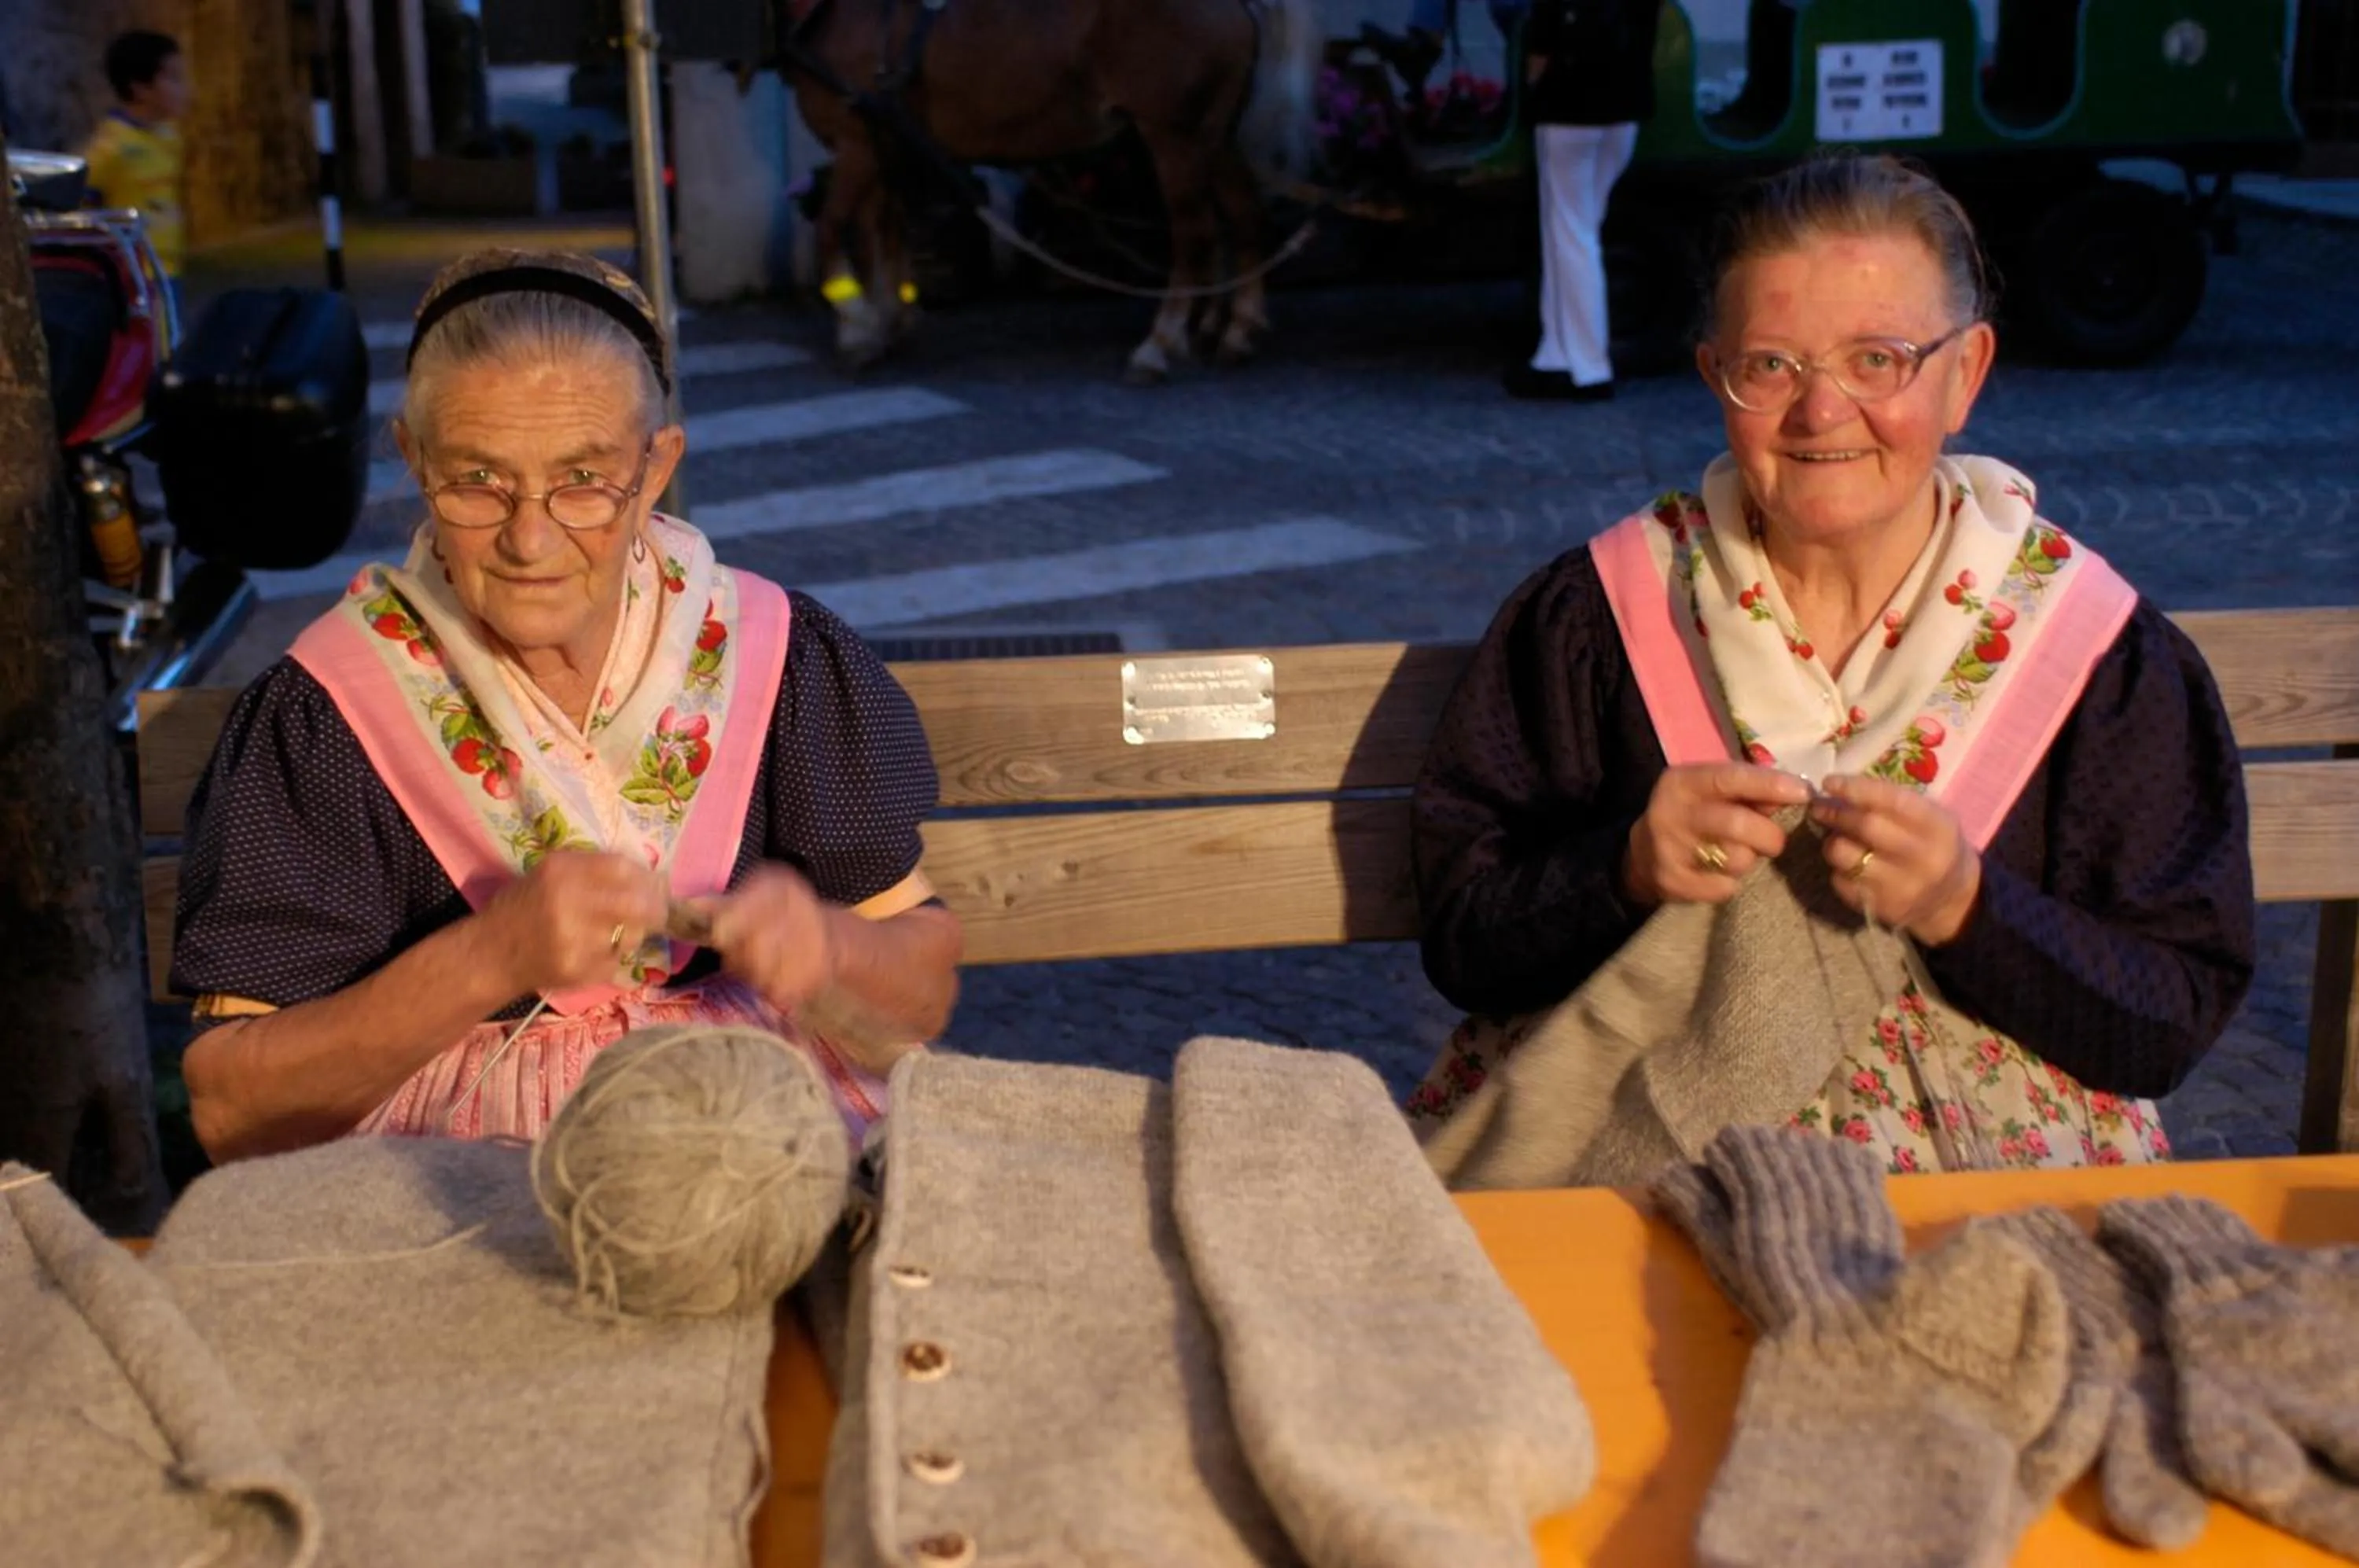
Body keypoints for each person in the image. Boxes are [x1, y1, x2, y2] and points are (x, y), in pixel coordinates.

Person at [1409, 155, 2254, 1176]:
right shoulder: (1599, 617)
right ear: (1713, 372)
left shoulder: (2098, 658)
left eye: (1879, 359)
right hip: (1645, 1160)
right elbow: (1466, 939)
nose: (1820, 412)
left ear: (1966, 373)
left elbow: (2167, 1021)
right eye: (1772, 365)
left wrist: (1968, 907)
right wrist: (1622, 869)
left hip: (1984, 1195)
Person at [172, 250, 962, 1161]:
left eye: (584, 481)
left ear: (656, 465)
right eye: (478, 481)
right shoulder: (329, 714)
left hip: (766, 1135)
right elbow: (232, 1110)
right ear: (415, 460)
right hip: (467, 1189)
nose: (530, 537)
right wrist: (490, 957)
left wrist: (831, 952)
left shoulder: (775, 655)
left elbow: (923, 992)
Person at [1505, 0, 1661, 401]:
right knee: (1575, 233)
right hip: (1625, 108)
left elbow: (1546, 26)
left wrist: (1534, 79)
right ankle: (1554, 354)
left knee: (1571, 235)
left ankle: (1587, 366)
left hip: (1570, 104)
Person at [80, 31, 190, 284]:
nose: (185, 89)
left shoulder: (169, 137)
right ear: (140, 88)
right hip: (135, 275)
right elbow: (84, 207)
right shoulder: (110, 149)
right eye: (174, 79)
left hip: (170, 268)